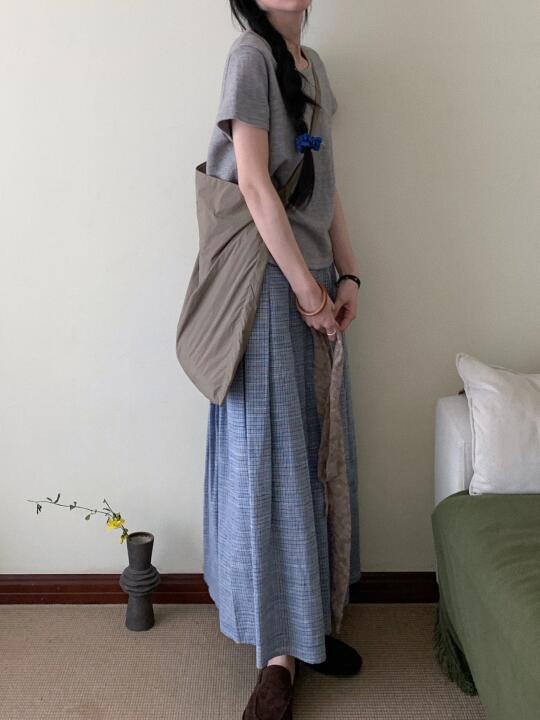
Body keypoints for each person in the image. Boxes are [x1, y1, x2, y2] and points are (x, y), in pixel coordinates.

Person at [202, 2, 362, 717]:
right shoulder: (249, 58)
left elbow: (326, 187)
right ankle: (276, 656)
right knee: (271, 462)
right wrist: (306, 291)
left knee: (317, 454)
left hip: (313, 278)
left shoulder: (313, 66)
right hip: (269, 283)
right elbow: (256, 184)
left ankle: (310, 624)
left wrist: (348, 274)